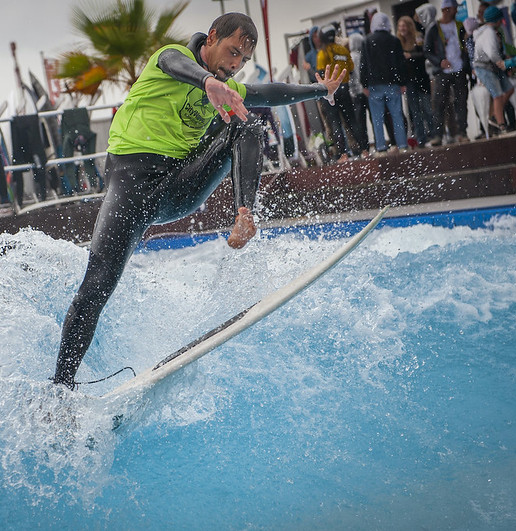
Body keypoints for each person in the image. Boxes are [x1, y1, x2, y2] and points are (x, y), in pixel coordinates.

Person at [52, 13, 346, 389]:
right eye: (232, 52)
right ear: (211, 38)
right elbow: (173, 63)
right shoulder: (172, 56)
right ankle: (59, 391)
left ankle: (244, 215)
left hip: (178, 187)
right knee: (95, 288)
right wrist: (208, 82)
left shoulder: (227, 86)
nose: (236, 65)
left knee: (247, 124)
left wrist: (320, 90)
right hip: (130, 187)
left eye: (242, 60)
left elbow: (269, 93)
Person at [316, 24, 369, 159]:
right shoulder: (343, 50)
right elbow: (350, 69)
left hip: (330, 91)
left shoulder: (322, 53)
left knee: (335, 122)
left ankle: (343, 154)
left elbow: (321, 74)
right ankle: (364, 149)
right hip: (344, 88)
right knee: (352, 120)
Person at [360, 12, 409, 155]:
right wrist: (402, 82)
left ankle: (381, 147)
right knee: (397, 115)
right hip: (393, 83)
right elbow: (400, 63)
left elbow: (364, 64)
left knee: (377, 118)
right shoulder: (394, 41)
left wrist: (364, 84)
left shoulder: (367, 41)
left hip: (374, 85)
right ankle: (402, 145)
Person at [424, 0, 472, 145]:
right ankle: (438, 135)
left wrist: (467, 66)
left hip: (459, 69)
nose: (456, 11)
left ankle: (462, 132)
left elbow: (465, 47)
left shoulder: (459, 26)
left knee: (461, 102)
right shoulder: (434, 28)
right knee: (438, 103)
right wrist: (439, 62)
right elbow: (427, 50)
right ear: (445, 10)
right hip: (442, 71)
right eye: (453, 9)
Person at [473, 6, 516, 134]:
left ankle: (493, 115)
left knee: (509, 89)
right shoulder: (489, 33)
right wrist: (502, 63)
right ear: (497, 20)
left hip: (492, 67)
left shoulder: (486, 31)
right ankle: (501, 125)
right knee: (497, 95)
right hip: (484, 67)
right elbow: (492, 52)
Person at [397, 15, 435, 147]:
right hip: (408, 81)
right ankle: (421, 138)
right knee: (414, 112)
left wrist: (410, 56)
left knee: (427, 108)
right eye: (400, 26)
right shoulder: (398, 42)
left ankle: (435, 135)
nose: (402, 29)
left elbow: (424, 54)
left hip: (421, 78)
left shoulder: (418, 37)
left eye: (404, 26)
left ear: (409, 26)